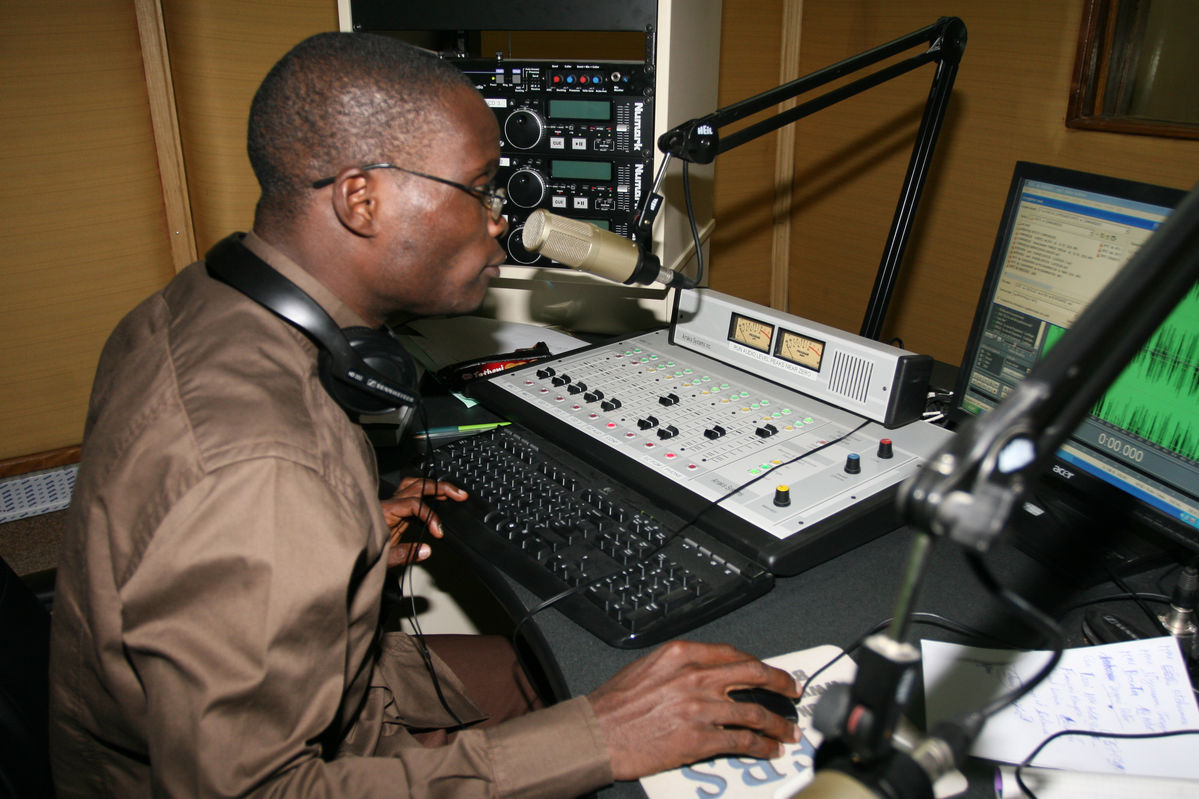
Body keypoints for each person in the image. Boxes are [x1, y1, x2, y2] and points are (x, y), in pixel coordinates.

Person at [48, 32, 800, 798]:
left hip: (316, 684)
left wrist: (335, 532)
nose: (498, 220)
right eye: (478, 188)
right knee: (599, 711)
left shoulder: (193, 306)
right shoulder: (263, 470)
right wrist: (601, 735)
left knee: (539, 668)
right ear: (361, 199)